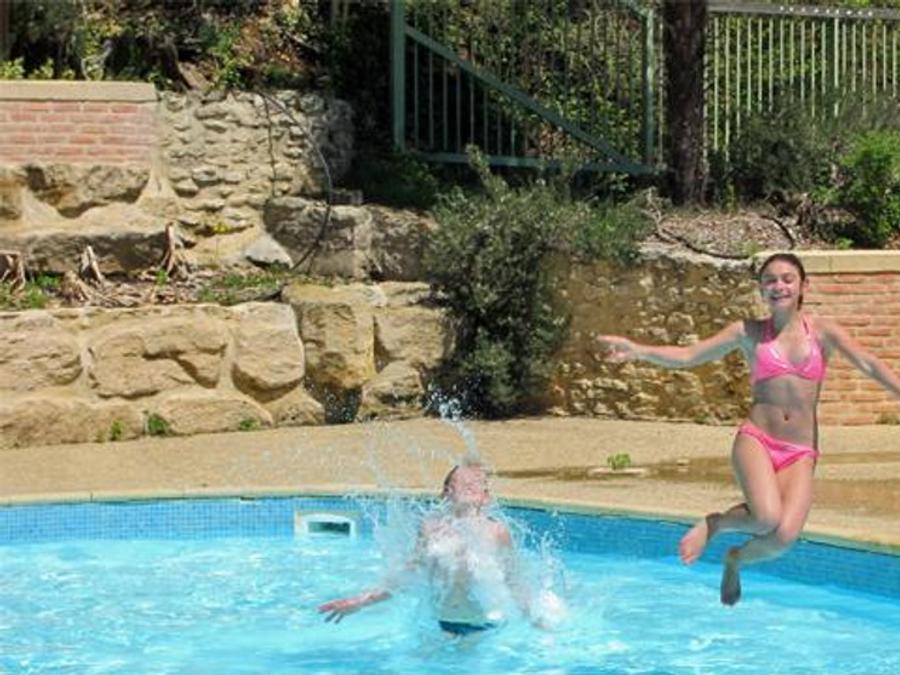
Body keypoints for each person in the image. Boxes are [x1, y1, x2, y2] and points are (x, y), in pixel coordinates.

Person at [597, 252, 900, 606]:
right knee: (766, 517)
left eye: (787, 279)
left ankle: (735, 560)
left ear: (804, 286)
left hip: (800, 451)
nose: (779, 286)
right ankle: (715, 524)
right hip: (758, 439)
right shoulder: (748, 332)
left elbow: (868, 363)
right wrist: (638, 351)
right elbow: (690, 355)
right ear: (760, 289)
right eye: (770, 280)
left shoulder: (822, 332)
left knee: (783, 537)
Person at [318, 462, 551, 635]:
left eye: (478, 483)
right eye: (463, 481)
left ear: (485, 497)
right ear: (447, 492)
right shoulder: (430, 529)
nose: (471, 483)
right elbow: (407, 575)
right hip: (441, 627)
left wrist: (535, 619)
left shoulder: (496, 531)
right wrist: (360, 602)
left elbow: (514, 581)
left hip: (484, 628)